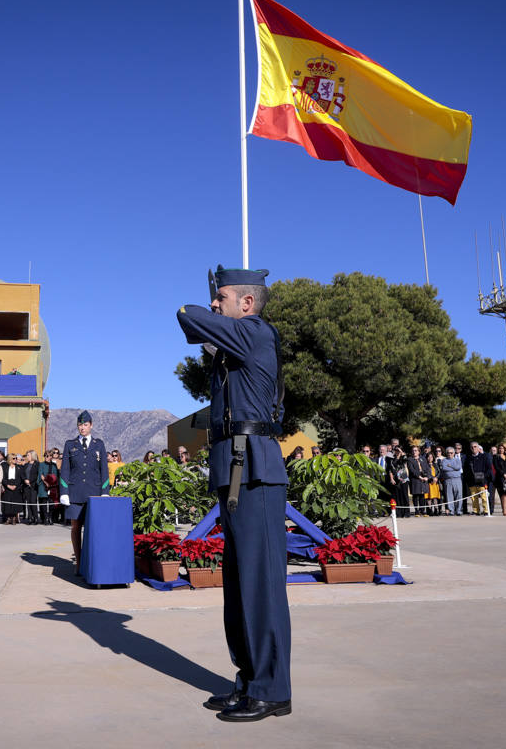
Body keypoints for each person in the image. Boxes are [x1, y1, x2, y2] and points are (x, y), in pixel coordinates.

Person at [178, 265, 291, 722]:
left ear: (246, 303)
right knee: (239, 585)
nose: (214, 304)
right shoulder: (236, 343)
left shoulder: (256, 332)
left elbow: (186, 315)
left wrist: (211, 320)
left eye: (221, 297)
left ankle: (272, 689)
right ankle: (248, 680)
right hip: (234, 468)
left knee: (261, 584)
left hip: (256, 472)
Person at [59, 411, 108, 568]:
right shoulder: (70, 444)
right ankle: (79, 563)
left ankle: (92, 561)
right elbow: (65, 470)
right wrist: (64, 492)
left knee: (93, 529)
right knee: (75, 527)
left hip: (94, 493)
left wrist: (105, 491)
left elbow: (104, 470)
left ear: (91, 425)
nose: (82, 428)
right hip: (75, 493)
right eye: (80, 425)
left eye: (85, 424)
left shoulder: (98, 444)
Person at [465, 442, 492, 515]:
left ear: (478, 448)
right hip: (472, 481)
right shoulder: (468, 458)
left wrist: (484, 477)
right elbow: (466, 470)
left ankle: (486, 511)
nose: (473, 448)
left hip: (482, 481)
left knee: (484, 497)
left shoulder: (484, 457)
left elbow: (489, 468)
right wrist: (469, 478)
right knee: (474, 498)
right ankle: (476, 511)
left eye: (475, 447)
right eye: (472, 447)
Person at [439, 445, 464, 515]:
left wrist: (450, 466)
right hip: (448, 480)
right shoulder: (444, 460)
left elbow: (458, 467)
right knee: (449, 496)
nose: (449, 454)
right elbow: (444, 468)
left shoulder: (457, 460)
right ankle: (451, 511)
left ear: (454, 453)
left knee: (459, 495)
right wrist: (454, 468)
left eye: (451, 453)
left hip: (457, 479)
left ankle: (459, 510)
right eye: (448, 453)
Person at [37, 449, 59, 524]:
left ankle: (50, 517)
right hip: (43, 485)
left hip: (52, 486)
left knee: (51, 503)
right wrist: (46, 482)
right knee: (43, 503)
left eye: (49, 456)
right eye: (46, 455)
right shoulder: (41, 464)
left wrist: (52, 483)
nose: (47, 457)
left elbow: (55, 475)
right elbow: (41, 474)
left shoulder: (54, 465)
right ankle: (45, 518)